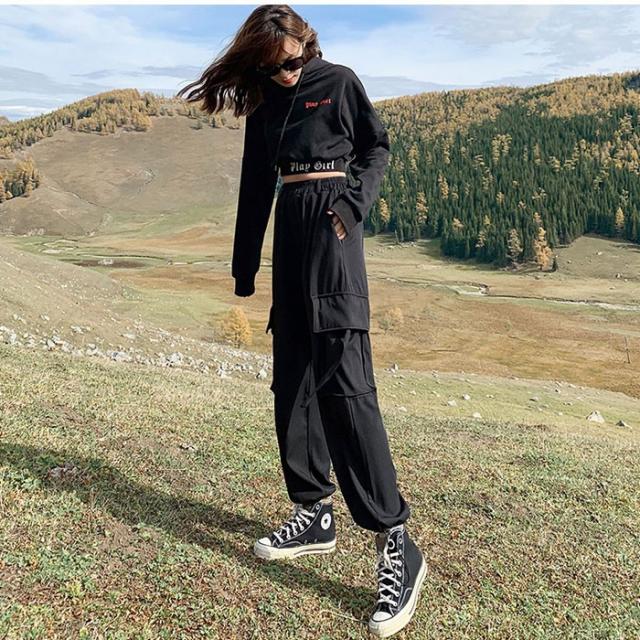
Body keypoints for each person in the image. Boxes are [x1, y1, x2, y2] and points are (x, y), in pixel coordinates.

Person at [177, 5, 427, 637]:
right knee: (291, 383)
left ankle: (396, 541)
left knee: (347, 390)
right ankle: (314, 511)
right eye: (271, 68)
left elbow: (376, 147)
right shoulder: (264, 106)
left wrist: (352, 204)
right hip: (290, 237)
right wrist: (244, 267)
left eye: (290, 62)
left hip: (334, 236)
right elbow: (253, 188)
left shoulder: (339, 82)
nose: (284, 75)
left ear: (305, 43)